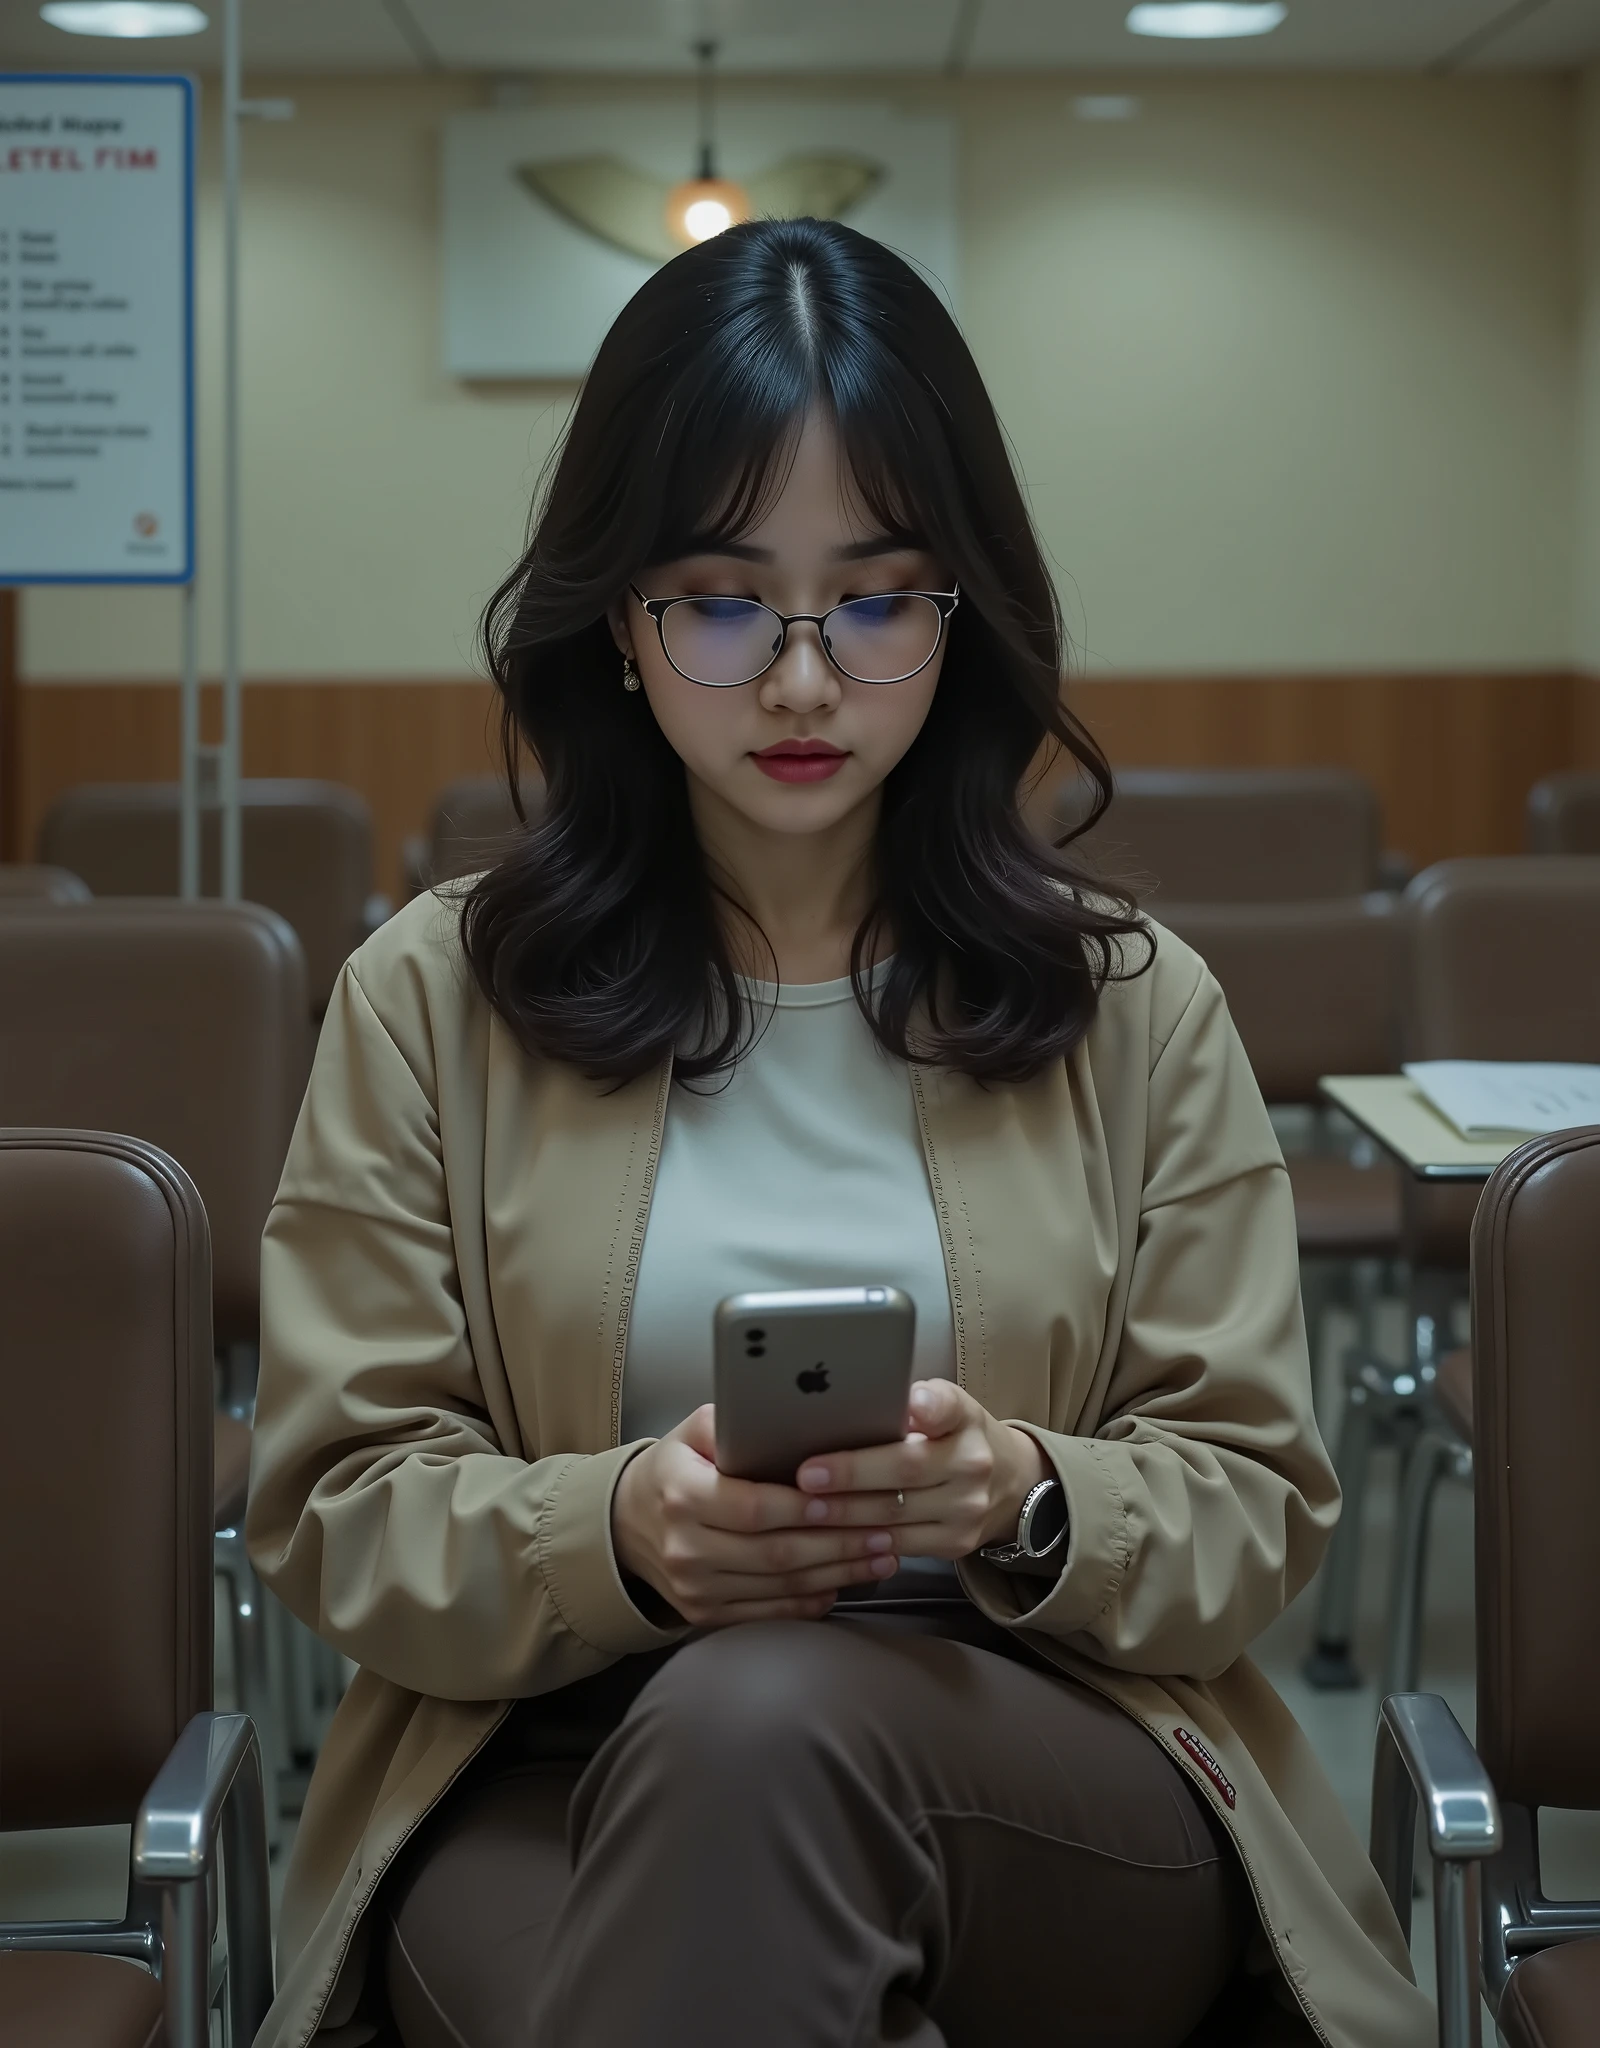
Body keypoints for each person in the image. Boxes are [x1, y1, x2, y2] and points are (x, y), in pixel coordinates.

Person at [246, 217, 1429, 2048]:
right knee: (733, 1807)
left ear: (962, 622)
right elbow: (336, 1507)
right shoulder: (432, 997)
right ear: (618, 623)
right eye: (725, 600)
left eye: (875, 599)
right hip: (545, 1764)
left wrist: (1025, 1496)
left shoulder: (1129, 1003)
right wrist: (624, 1536)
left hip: (1051, 1758)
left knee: (761, 1725)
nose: (802, 681)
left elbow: (1258, 1506)